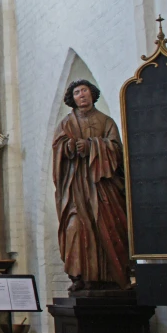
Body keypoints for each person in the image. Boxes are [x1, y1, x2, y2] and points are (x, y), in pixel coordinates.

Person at [52, 80, 130, 292]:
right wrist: (69, 147)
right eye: (77, 92)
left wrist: (93, 146)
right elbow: (58, 148)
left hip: (102, 185)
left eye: (85, 90)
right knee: (76, 227)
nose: (82, 95)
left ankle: (111, 277)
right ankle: (80, 276)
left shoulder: (106, 122)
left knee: (107, 224)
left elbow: (116, 149)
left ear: (92, 94)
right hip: (76, 185)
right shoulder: (66, 124)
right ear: (72, 99)